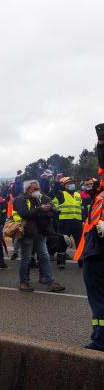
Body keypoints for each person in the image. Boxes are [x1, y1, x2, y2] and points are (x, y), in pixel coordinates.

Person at [76, 124, 104, 350]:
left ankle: (100, 338)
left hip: (98, 251)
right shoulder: (99, 193)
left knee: (98, 298)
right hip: (94, 248)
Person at [13, 180, 66, 293]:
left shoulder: (42, 198)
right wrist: (40, 209)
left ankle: (50, 282)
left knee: (44, 257)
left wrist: (49, 210)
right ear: (27, 190)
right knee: (26, 259)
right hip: (26, 232)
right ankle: (23, 282)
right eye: (35, 189)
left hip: (40, 233)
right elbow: (24, 213)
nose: (38, 191)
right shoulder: (20, 199)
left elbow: (52, 213)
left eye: (38, 189)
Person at [51, 176, 84, 268]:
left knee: (80, 242)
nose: (71, 185)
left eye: (72, 183)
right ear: (64, 186)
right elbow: (55, 191)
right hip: (65, 222)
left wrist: (83, 220)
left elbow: (80, 208)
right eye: (69, 183)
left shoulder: (78, 194)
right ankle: (60, 262)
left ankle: (81, 261)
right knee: (63, 241)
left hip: (77, 222)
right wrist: (57, 181)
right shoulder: (62, 194)